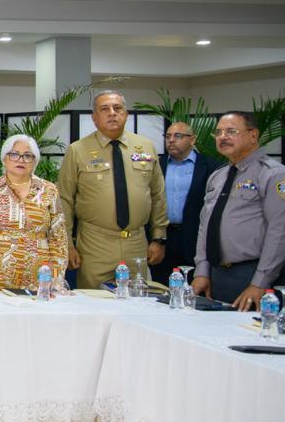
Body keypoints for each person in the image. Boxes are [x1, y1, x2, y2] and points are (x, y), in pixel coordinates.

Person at [57, 91, 167, 289]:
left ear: (126, 114)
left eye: (117, 108)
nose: (112, 113)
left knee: (136, 299)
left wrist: (158, 237)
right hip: (95, 244)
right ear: (94, 117)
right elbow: (65, 199)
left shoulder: (146, 147)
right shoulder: (78, 150)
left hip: (136, 242)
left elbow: (157, 195)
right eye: (104, 109)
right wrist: (68, 245)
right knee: (93, 300)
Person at [192, 111, 285, 310]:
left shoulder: (273, 174)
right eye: (218, 132)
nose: (223, 137)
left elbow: (279, 231)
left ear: (253, 135)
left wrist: (260, 282)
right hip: (216, 276)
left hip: (252, 275)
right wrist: (202, 270)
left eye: (231, 131)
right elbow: (205, 226)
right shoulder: (217, 176)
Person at [0, 135, 70, 291]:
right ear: (4, 159)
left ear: (35, 161)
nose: (21, 160)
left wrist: (56, 276)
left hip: (41, 278)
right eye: (14, 154)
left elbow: (59, 238)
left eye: (28, 156)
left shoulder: (48, 190)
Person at [151, 121, 213, 282]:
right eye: (168, 136)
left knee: (192, 288)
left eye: (178, 136)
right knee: (160, 287)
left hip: (195, 238)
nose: (171, 140)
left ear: (192, 140)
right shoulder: (156, 165)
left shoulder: (211, 167)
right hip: (163, 237)